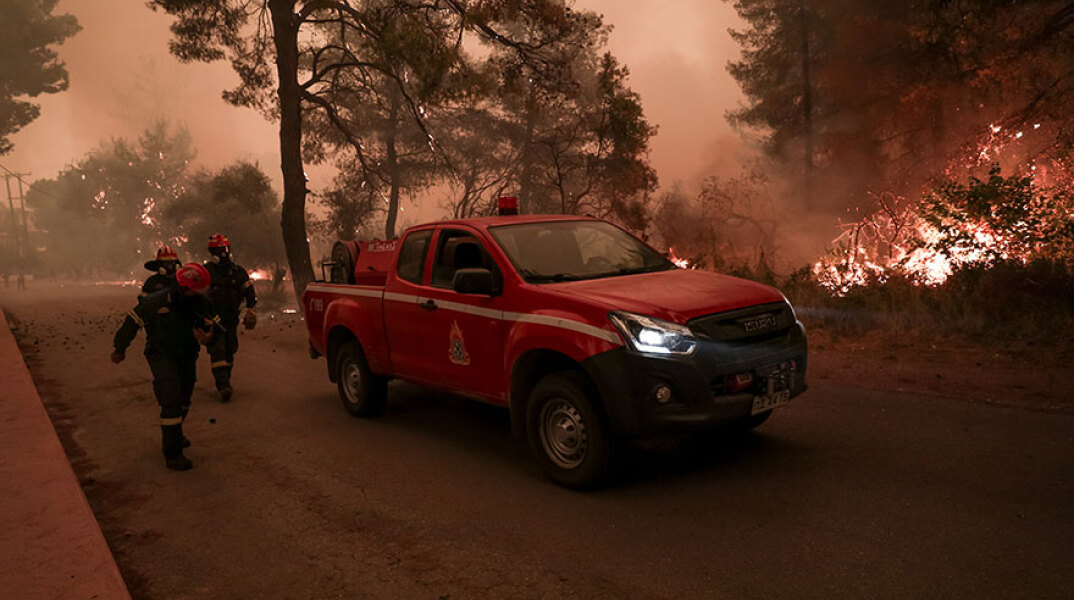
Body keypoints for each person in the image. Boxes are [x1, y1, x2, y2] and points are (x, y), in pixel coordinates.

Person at [111, 263, 222, 471]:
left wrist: (210, 338)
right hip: (161, 355)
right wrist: (120, 348)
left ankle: (176, 432)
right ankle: (173, 454)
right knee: (171, 399)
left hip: (187, 355)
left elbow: (216, 329)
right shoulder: (155, 301)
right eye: (196, 291)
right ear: (183, 288)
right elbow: (132, 322)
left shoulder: (202, 302)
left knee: (185, 398)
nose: (200, 294)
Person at [203, 233, 257, 402]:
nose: (222, 253)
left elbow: (249, 291)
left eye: (224, 249)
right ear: (212, 253)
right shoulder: (206, 272)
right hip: (213, 318)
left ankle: (226, 377)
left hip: (232, 318)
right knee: (217, 349)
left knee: (230, 349)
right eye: (218, 250)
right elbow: (197, 295)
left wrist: (251, 309)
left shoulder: (238, 271)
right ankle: (223, 385)